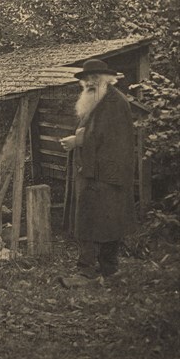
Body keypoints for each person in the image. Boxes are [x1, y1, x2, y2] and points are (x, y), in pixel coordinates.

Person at [61, 59, 137, 282]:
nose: (89, 83)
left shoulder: (115, 103)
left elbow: (112, 138)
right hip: (94, 171)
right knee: (92, 221)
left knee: (107, 223)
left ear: (107, 80)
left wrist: (78, 141)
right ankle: (98, 270)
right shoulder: (95, 101)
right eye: (86, 79)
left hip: (109, 173)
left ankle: (97, 271)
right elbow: (92, 130)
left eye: (94, 79)